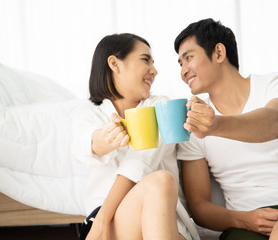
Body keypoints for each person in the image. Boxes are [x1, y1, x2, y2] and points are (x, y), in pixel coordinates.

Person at [174, 18, 278, 240]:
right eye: (180, 64)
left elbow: (274, 123)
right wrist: (243, 219)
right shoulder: (193, 122)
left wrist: (216, 125)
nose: (184, 71)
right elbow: (199, 206)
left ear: (219, 53)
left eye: (189, 58)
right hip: (246, 224)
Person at [72, 33, 202, 240]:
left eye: (153, 62)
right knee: (160, 181)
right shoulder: (88, 114)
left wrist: (101, 221)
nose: (154, 71)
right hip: (111, 226)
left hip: (157, 223)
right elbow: (88, 143)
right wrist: (107, 140)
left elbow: (140, 162)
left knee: (160, 182)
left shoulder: (161, 107)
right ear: (115, 64)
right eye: (145, 60)